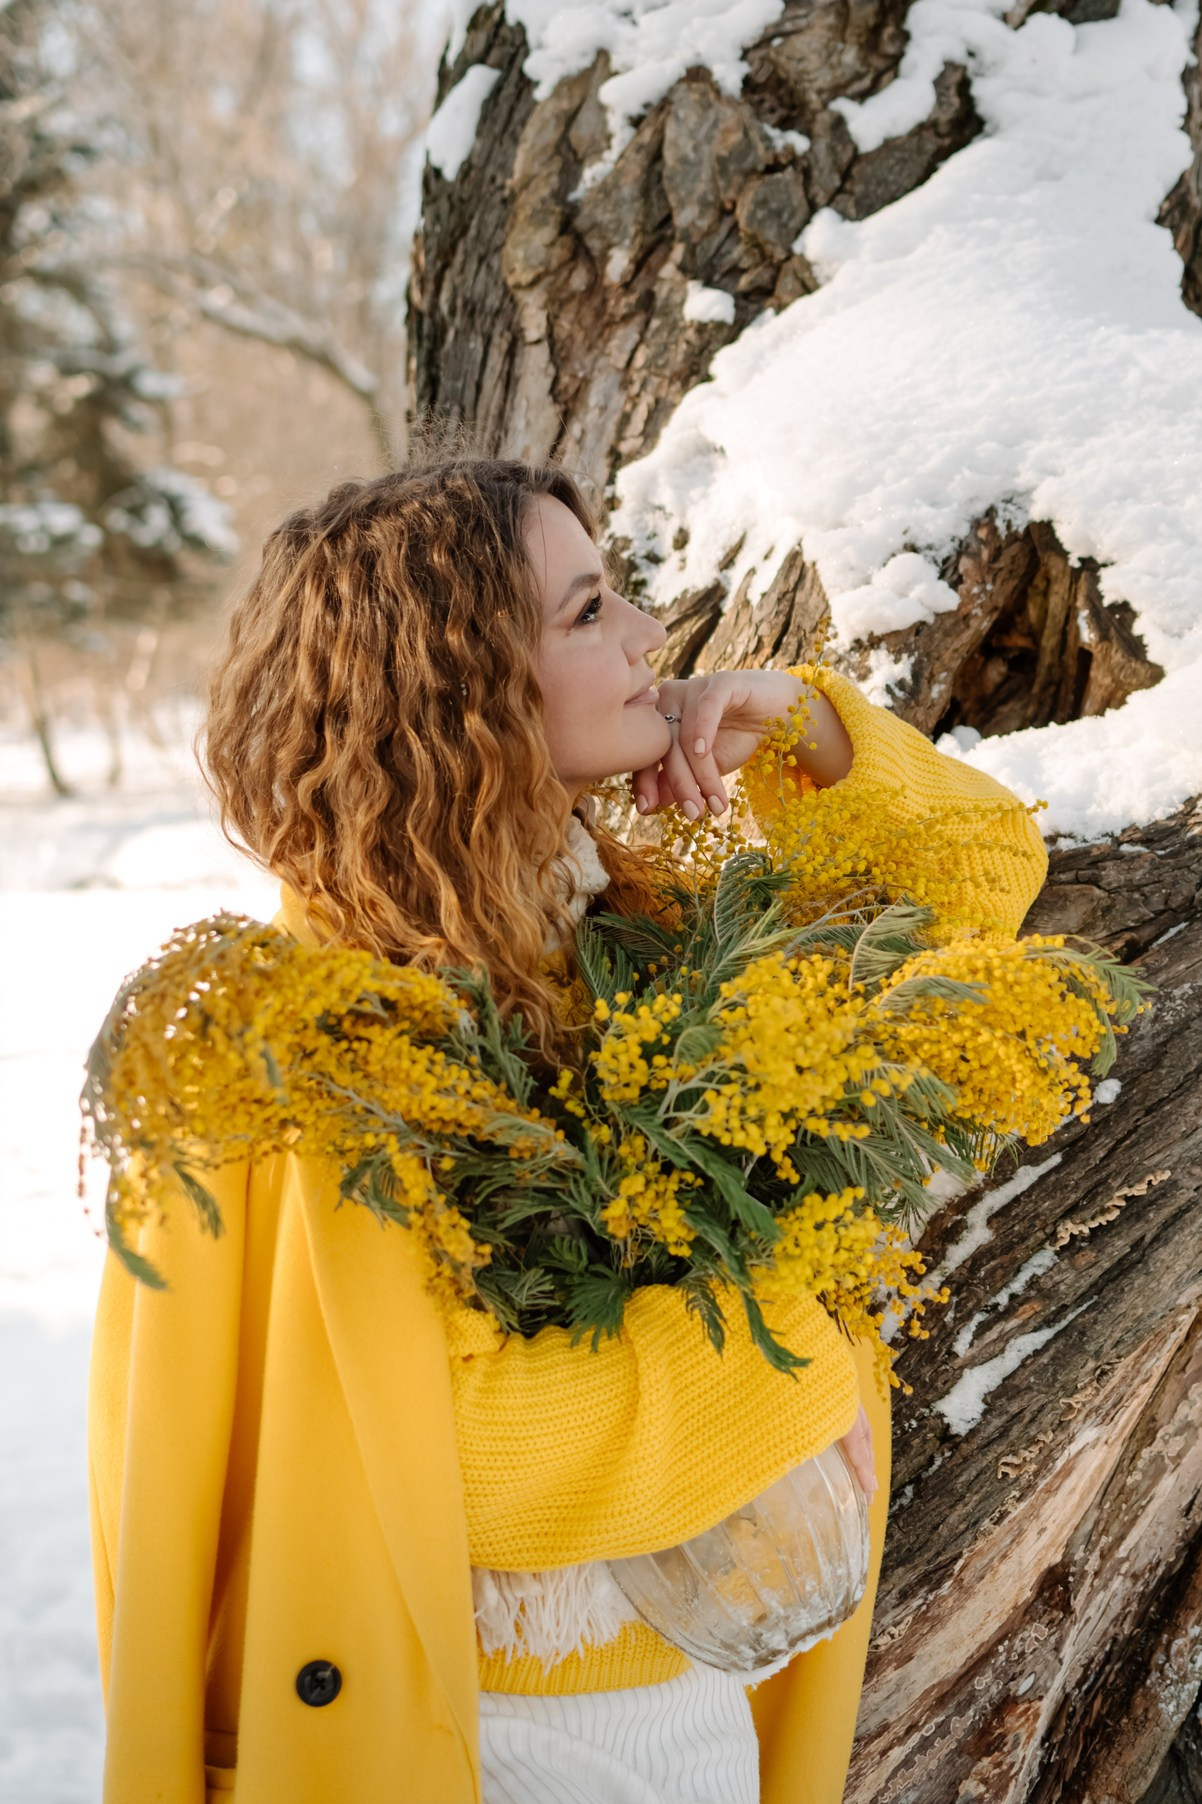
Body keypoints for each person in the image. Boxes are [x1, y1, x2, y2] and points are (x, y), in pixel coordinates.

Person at [88, 452, 1048, 1804]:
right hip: (471, 1736)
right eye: (590, 610)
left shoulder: (627, 927)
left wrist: (801, 724)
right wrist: (802, 1359)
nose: (653, 636)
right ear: (458, 691)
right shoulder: (317, 1044)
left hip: (687, 1711)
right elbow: (473, 1455)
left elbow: (980, 876)